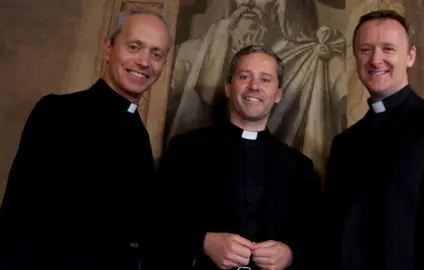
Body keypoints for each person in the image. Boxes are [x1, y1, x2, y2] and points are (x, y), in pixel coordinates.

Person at [0, 7, 172, 270]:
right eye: (134, 47)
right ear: (107, 49)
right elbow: (19, 219)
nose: (144, 62)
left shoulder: (140, 135)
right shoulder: (58, 113)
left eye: (156, 54)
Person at [324, 9, 424, 270]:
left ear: (410, 56)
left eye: (388, 49)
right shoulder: (344, 143)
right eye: (365, 49)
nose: (376, 59)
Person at [156, 45, 322, 270]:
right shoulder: (186, 149)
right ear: (228, 87)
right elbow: (158, 219)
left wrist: (290, 255)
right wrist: (203, 242)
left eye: (265, 80)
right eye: (245, 76)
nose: (254, 86)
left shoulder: (299, 167)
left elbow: (317, 240)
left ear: (278, 95)